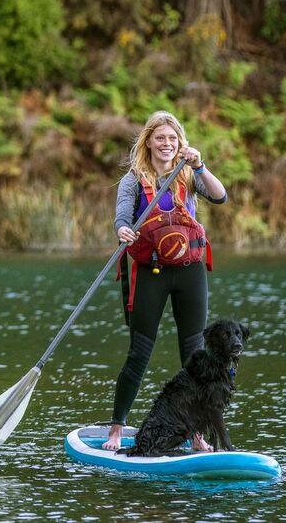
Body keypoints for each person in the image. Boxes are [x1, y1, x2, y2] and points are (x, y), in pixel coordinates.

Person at [102, 110, 227, 451]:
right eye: (160, 138)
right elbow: (121, 219)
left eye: (172, 138)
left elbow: (220, 196)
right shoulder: (133, 179)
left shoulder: (188, 174)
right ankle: (116, 428)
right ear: (148, 142)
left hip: (190, 272)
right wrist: (122, 231)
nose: (167, 144)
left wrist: (200, 165)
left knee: (195, 357)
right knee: (139, 352)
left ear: (180, 143)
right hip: (151, 272)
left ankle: (197, 434)